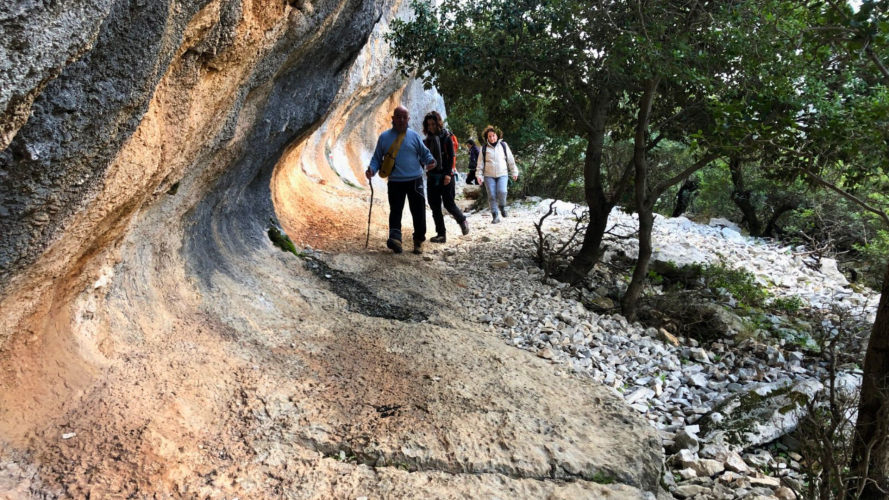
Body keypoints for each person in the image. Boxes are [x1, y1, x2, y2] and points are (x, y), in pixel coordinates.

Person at [366, 106, 436, 255]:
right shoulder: (384, 137)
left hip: (415, 180)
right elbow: (377, 158)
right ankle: (395, 239)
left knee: (418, 212)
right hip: (395, 181)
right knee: (396, 211)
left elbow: (425, 154)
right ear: (393, 118)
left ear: (408, 119)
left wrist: (431, 161)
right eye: (398, 117)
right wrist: (372, 169)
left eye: (404, 117)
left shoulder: (414, 136)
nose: (401, 120)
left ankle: (418, 241)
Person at [422, 111, 470, 243]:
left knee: (448, 204)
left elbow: (451, 157)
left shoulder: (446, 138)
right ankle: (441, 234)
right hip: (433, 176)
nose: (431, 127)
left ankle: (462, 220)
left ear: (438, 123)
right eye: (428, 125)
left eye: (433, 124)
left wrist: (448, 174)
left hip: (446, 175)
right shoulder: (427, 141)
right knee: (434, 205)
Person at [475, 126, 518, 223]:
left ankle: (502, 206)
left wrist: (514, 172)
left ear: (497, 135)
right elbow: (480, 164)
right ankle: (495, 216)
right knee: (492, 195)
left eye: (493, 136)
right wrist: (479, 175)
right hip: (488, 176)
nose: (492, 138)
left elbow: (511, 160)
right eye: (489, 136)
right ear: (487, 138)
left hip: (502, 174)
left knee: (502, 192)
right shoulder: (484, 148)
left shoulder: (503, 145)